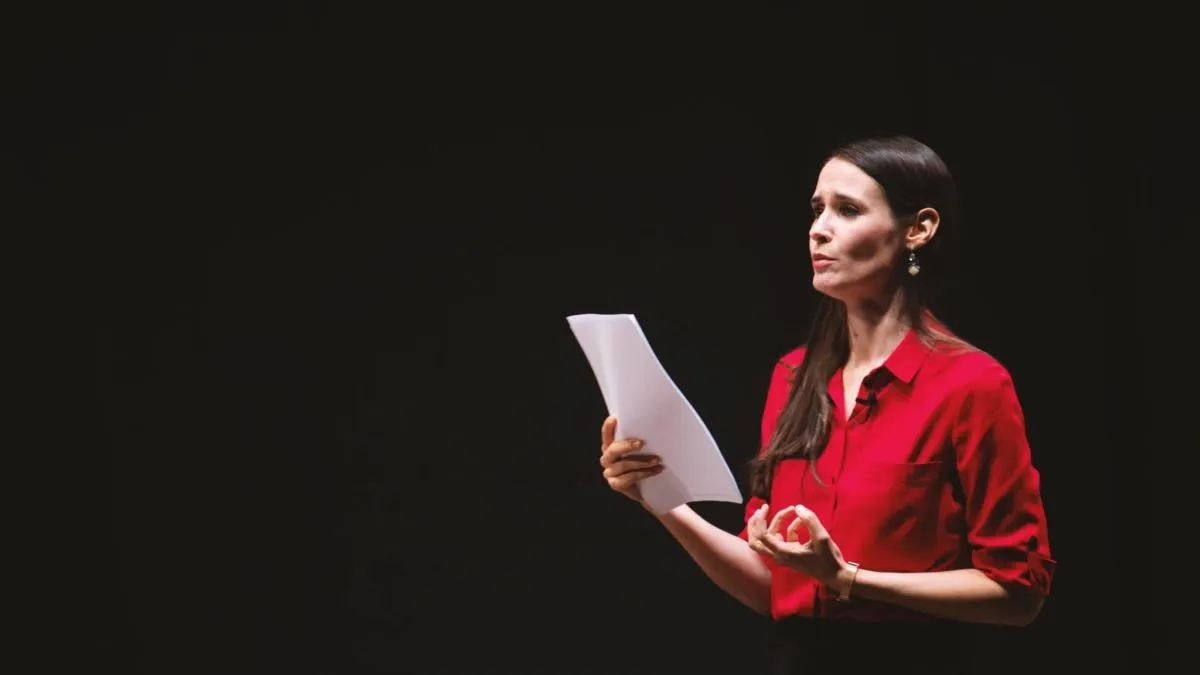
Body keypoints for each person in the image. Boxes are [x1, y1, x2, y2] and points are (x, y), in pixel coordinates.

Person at [597, 136, 1055, 674]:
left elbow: (1018, 593)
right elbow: (772, 584)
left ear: (919, 229)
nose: (819, 229)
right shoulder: (793, 377)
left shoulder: (971, 383)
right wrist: (660, 499)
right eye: (817, 210)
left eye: (847, 209)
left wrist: (848, 580)